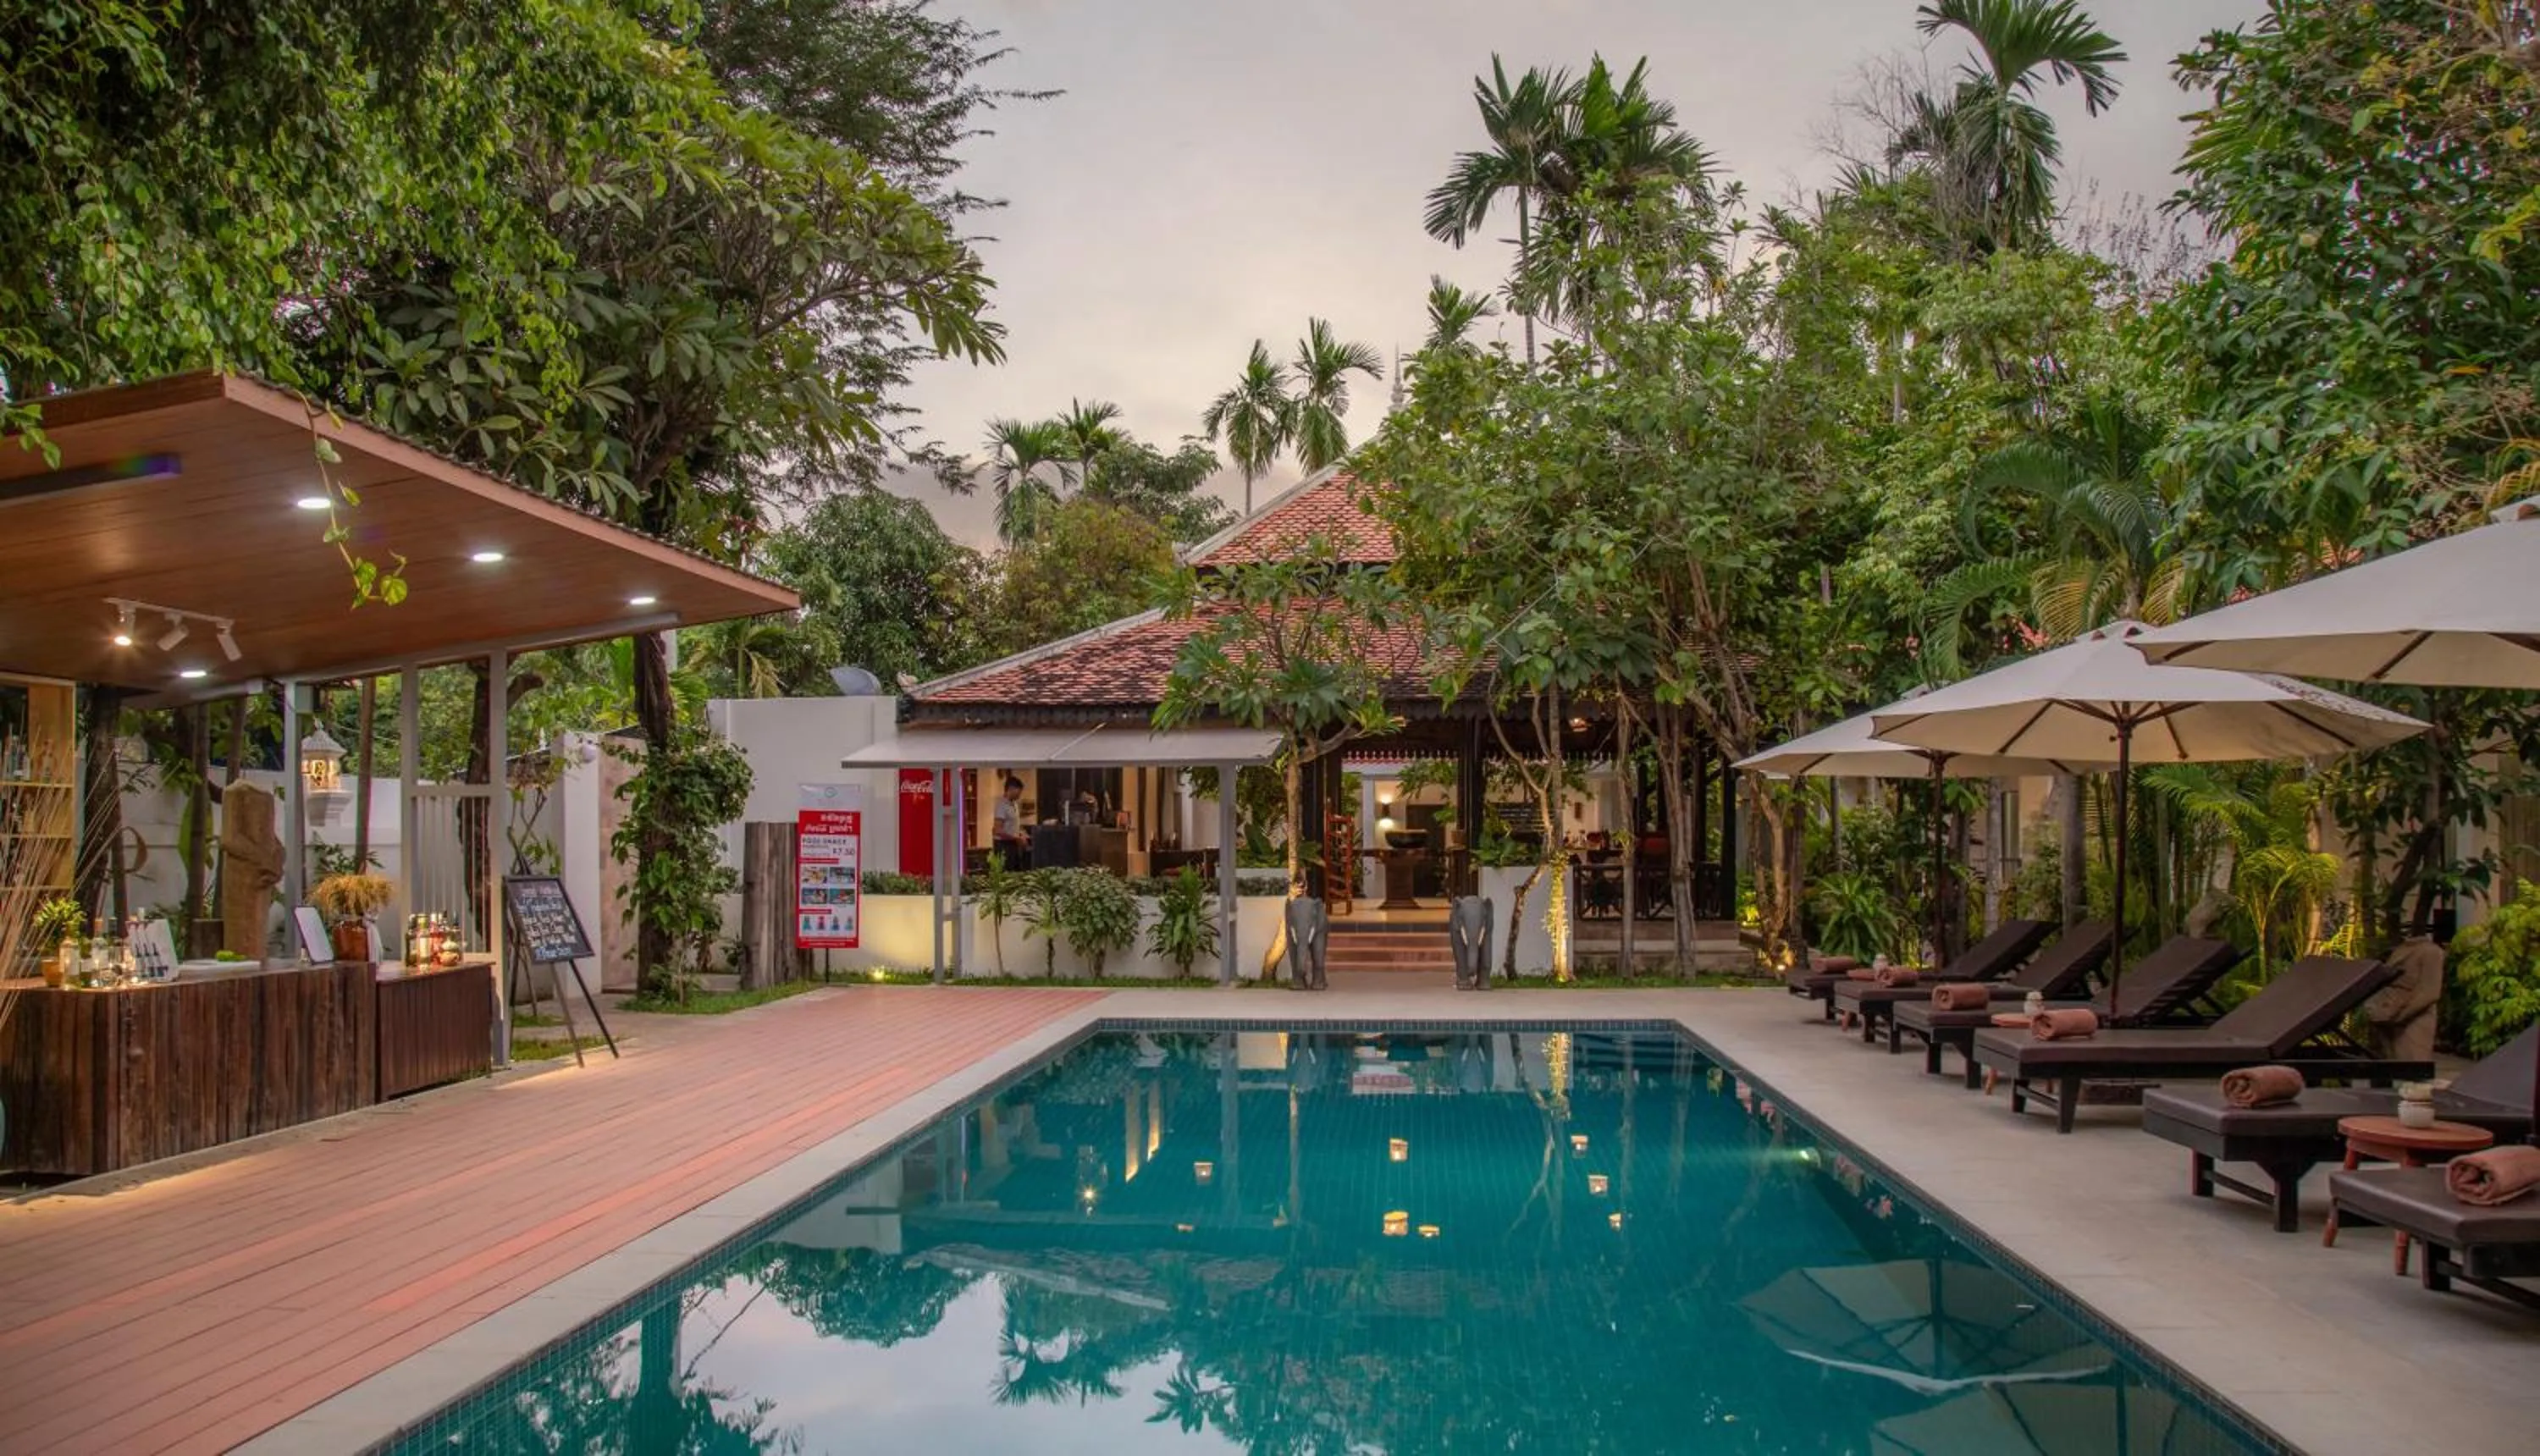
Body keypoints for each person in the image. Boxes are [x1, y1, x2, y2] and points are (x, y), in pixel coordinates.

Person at [992, 775, 1030, 863]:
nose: (1020, 795)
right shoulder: (1001, 806)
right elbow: (998, 830)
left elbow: (1013, 825)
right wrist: (1016, 838)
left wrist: (1022, 834)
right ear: (1010, 789)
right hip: (1003, 846)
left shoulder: (1015, 805)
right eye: (1018, 792)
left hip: (1014, 845)